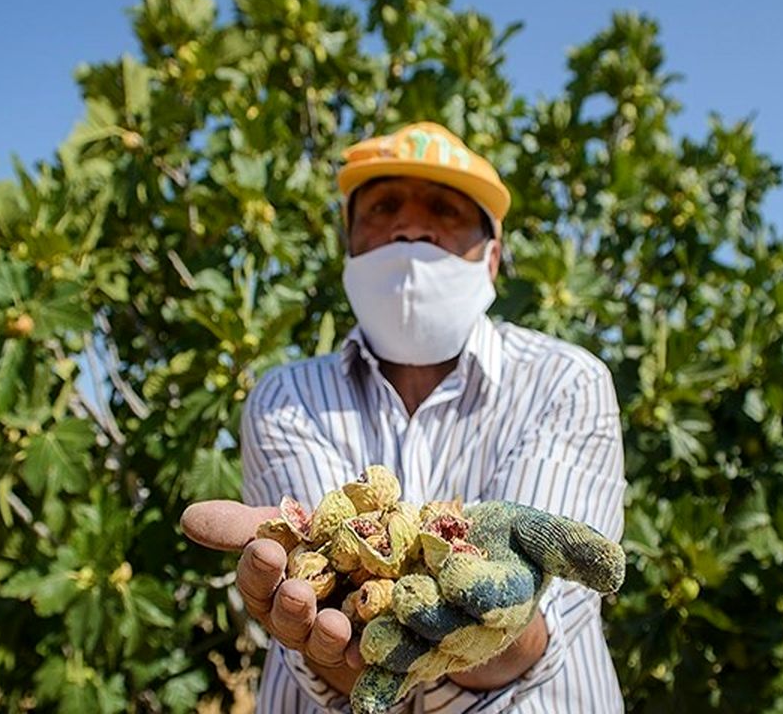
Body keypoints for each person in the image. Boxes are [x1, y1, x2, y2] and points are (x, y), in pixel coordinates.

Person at [182, 122, 627, 712]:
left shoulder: (567, 382)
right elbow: (333, 603)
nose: (411, 227)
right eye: (385, 206)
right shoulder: (284, 397)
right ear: (349, 248)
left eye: (444, 209)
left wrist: (503, 623)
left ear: (491, 257)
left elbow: (540, 628)